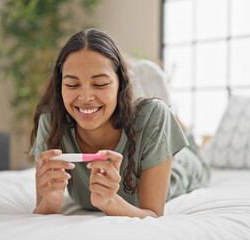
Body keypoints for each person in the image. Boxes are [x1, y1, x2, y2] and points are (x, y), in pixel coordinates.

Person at [29, 28, 209, 218]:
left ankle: (175, 121)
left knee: (186, 146)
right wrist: (50, 202)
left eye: (100, 84)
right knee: (157, 114)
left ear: (121, 84)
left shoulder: (154, 116)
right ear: (60, 86)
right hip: (143, 124)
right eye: (72, 85)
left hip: (180, 163)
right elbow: (43, 209)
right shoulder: (51, 123)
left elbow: (153, 214)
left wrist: (111, 202)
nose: (85, 97)